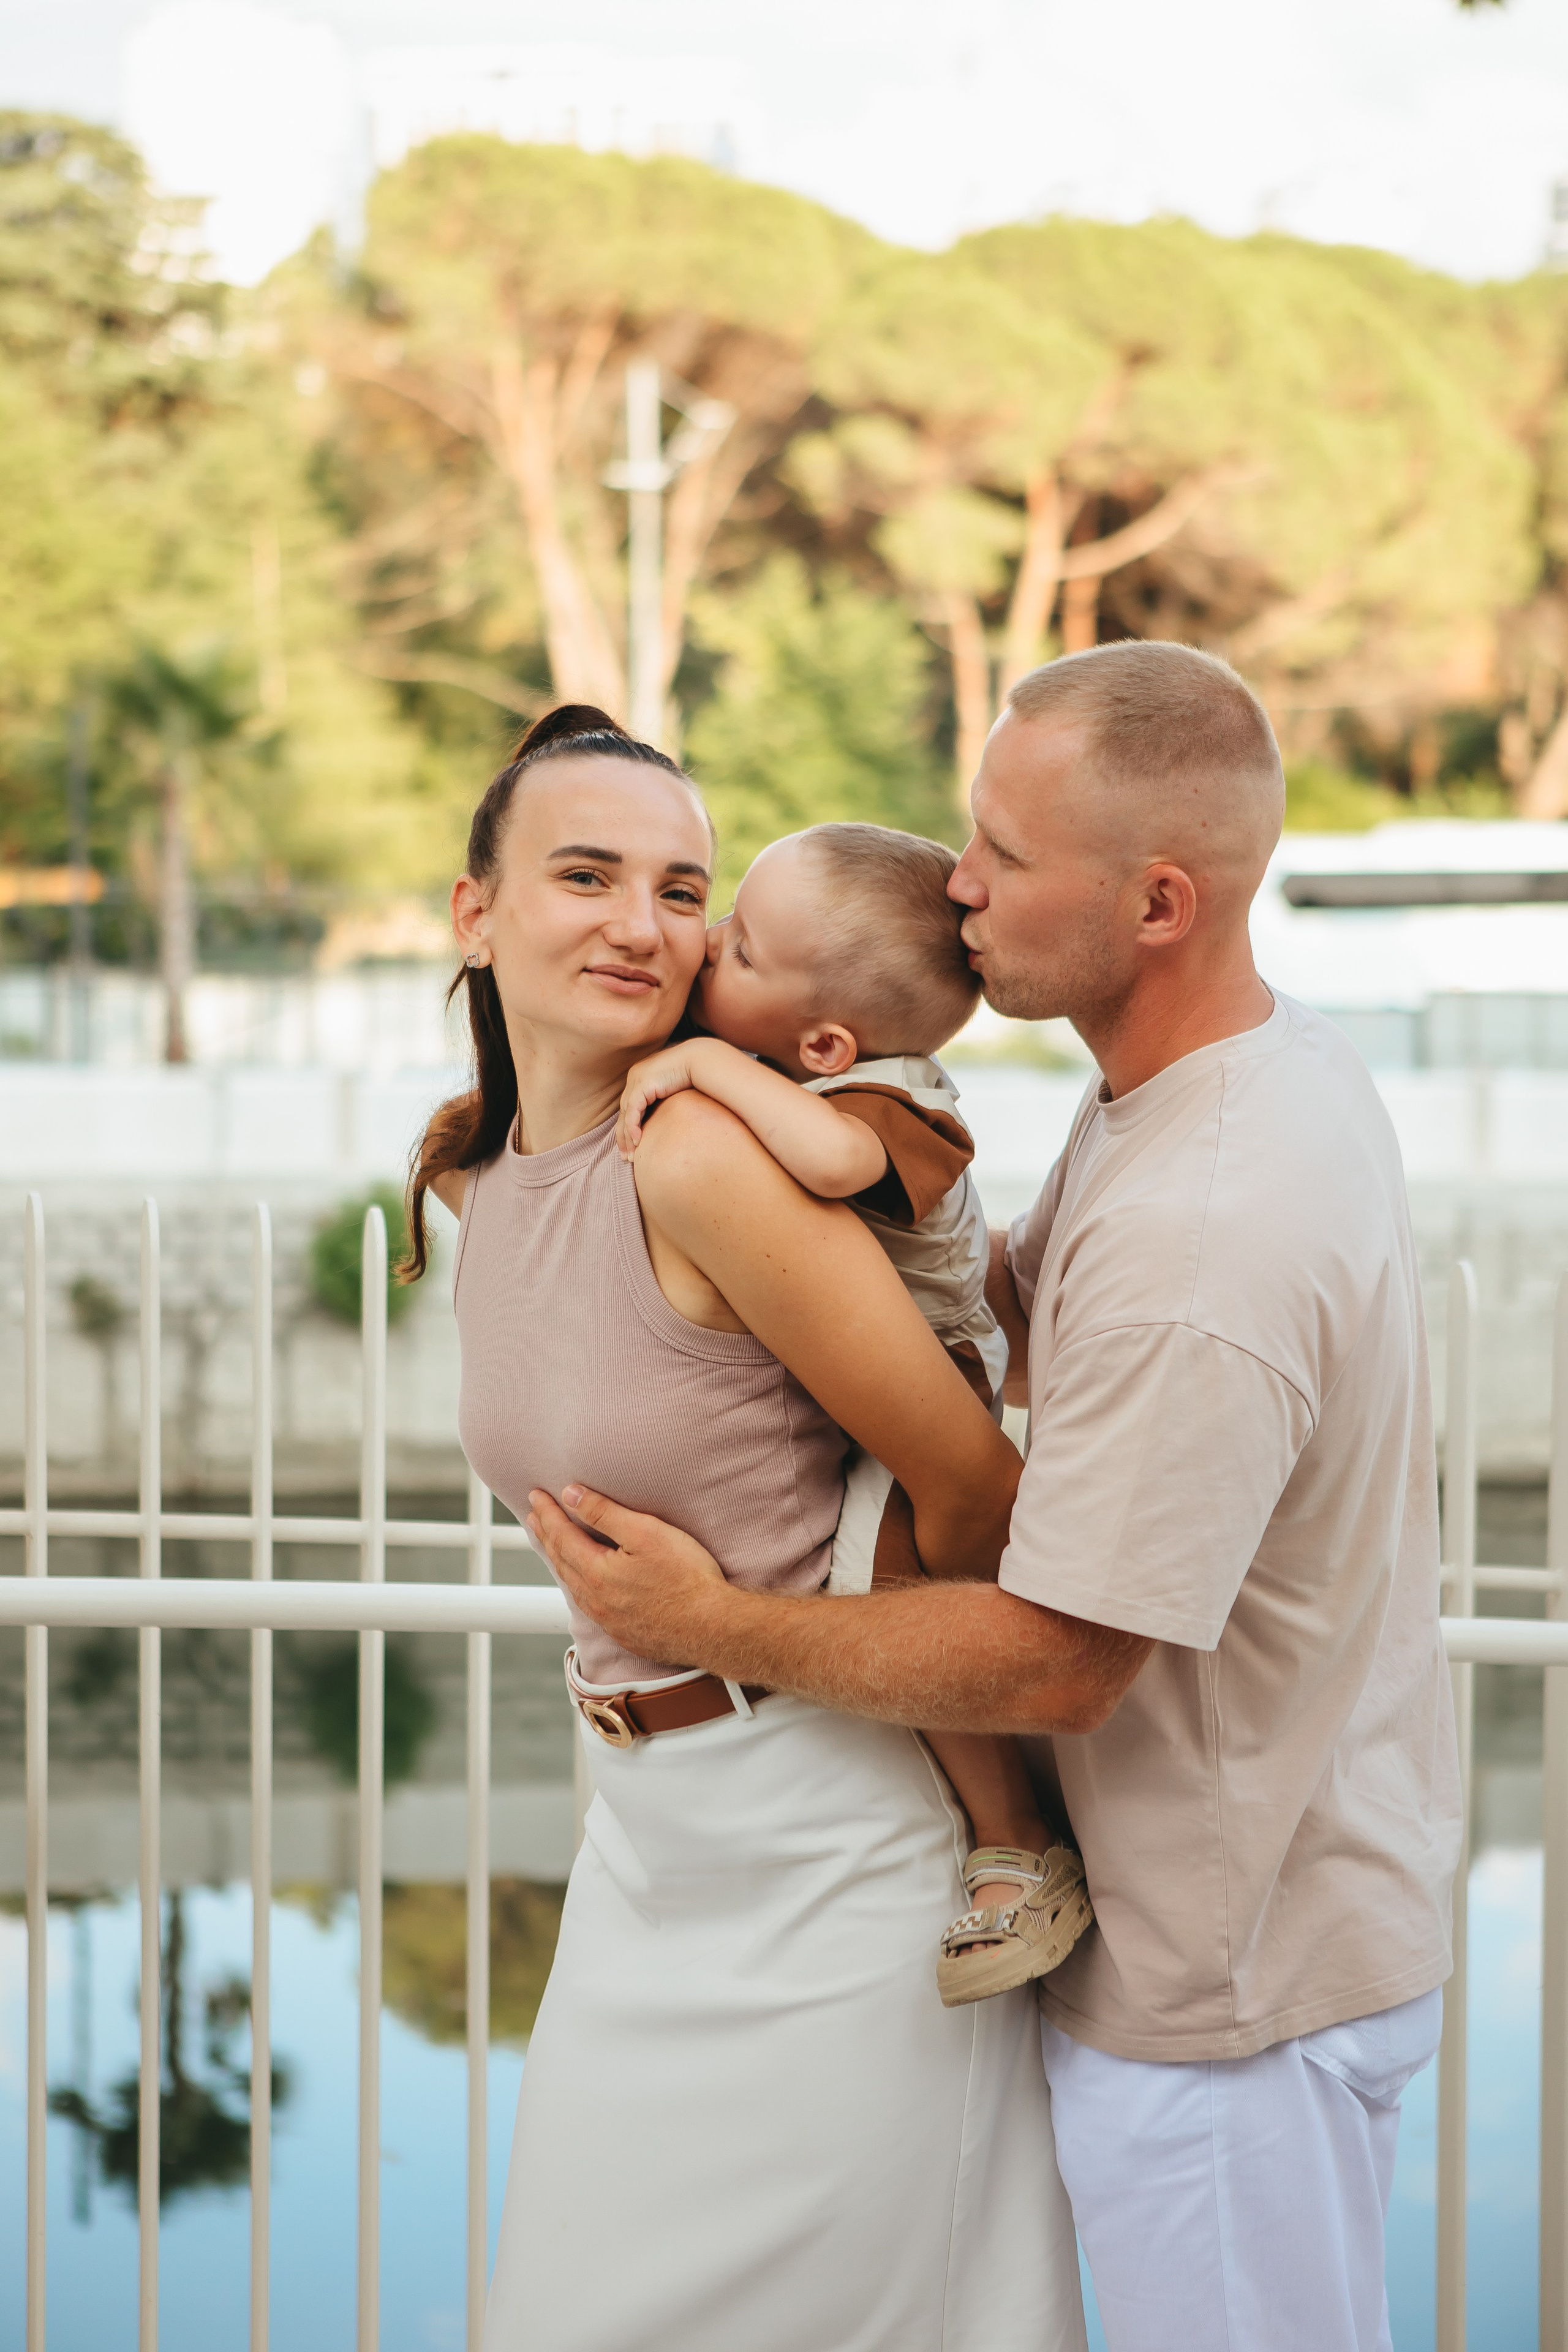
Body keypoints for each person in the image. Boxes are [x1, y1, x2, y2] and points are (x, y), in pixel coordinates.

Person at [527, 643, 1463, 2352]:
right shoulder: (1210, 1087)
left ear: (1158, 901)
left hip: (1225, 1989)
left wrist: (716, 1625)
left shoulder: (1211, 1225)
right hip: (1266, 1912)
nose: (958, 887)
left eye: (1006, 857)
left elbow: (1063, 1664)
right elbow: (1018, 1316)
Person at [405, 704, 1086, 2352]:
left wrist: (734, 1629)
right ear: (476, 911)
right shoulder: (475, 1178)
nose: (643, 924)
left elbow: (975, 1487)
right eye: (585, 874)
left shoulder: (704, 1156)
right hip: (651, 1849)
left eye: (680, 886)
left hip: (837, 1847)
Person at [615, 818, 1091, 2005]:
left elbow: (830, 1166)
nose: (708, 943)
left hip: (944, 1379)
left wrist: (708, 1065)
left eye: (739, 945)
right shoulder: (809, 1068)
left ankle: (1017, 1847)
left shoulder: (894, 1102)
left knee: (897, 1599)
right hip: (878, 1364)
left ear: (824, 1041)